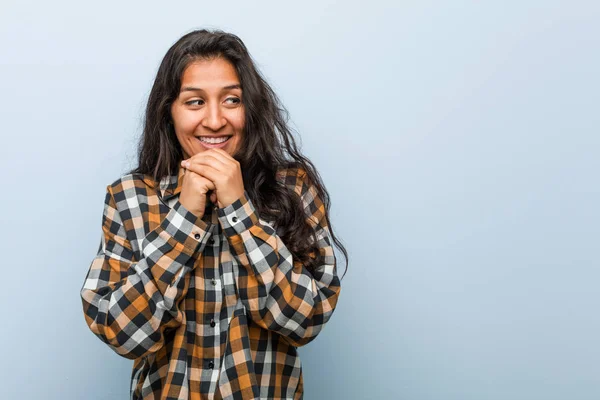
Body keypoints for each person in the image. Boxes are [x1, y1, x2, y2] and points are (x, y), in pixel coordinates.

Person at [79, 28, 348, 400]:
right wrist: (186, 216)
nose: (215, 120)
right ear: (168, 111)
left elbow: (306, 321)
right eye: (194, 102)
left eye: (232, 100)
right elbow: (122, 334)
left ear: (250, 107)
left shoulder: (294, 189)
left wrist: (240, 209)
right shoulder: (130, 198)